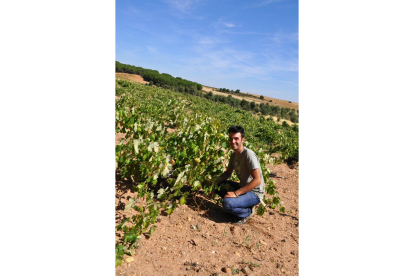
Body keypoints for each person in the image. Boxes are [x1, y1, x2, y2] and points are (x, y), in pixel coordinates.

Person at [214, 125, 265, 225]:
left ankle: (246, 212)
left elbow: (257, 180)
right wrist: (214, 183)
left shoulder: (248, 155)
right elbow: (228, 173)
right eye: (231, 139)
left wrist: (236, 193)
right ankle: (242, 205)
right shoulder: (233, 154)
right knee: (219, 186)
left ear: (242, 139)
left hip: (254, 193)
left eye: (236, 138)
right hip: (243, 187)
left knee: (227, 203)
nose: (233, 141)